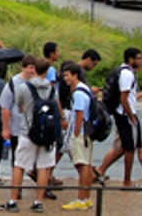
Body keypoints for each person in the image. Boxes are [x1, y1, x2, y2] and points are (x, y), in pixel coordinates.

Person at [0, 55, 56, 214]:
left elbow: (18, 106)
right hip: (47, 132)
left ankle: (13, 200)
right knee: (44, 167)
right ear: (46, 71)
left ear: (35, 69)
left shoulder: (24, 87)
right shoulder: (52, 88)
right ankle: (38, 201)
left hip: (28, 131)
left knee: (19, 165)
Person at [95, 47, 142, 189]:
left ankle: (103, 170)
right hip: (125, 114)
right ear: (130, 59)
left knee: (128, 146)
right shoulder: (127, 74)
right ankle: (127, 181)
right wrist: (131, 116)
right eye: (138, 58)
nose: (141, 61)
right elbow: (123, 97)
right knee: (129, 147)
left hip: (124, 114)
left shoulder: (125, 72)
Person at [61, 61, 95, 211]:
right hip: (87, 133)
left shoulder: (79, 93)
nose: (65, 78)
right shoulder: (86, 89)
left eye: (67, 75)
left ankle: (81, 198)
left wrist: (75, 133)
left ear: (75, 75)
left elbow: (79, 114)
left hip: (80, 133)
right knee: (86, 164)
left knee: (81, 165)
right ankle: (86, 197)